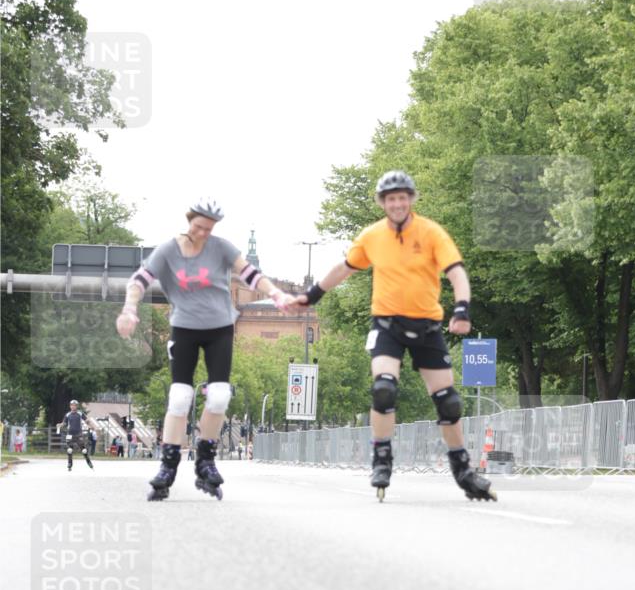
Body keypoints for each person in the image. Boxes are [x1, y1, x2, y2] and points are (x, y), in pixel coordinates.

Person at [289, 170, 496, 503]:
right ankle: (381, 458)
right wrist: (311, 296)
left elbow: (456, 271)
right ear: (383, 203)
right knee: (384, 389)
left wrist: (462, 309)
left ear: (411, 200)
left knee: (448, 401)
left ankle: (462, 469)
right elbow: (344, 268)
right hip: (387, 326)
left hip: (427, 326)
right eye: (391, 199)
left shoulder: (431, 233)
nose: (397, 204)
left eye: (402, 197)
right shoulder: (372, 236)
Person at [115, 197, 294, 501]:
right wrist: (129, 309)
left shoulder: (221, 247)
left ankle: (205, 460)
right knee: (180, 396)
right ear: (189, 221)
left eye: (209, 229)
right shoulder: (169, 250)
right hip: (184, 327)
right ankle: (168, 465)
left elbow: (250, 274)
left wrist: (276, 294)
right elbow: (139, 280)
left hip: (220, 327)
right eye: (199, 227)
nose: (203, 234)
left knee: (221, 394)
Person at [60, 400, 94, 471]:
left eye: (75, 405)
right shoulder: (68, 415)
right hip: (70, 434)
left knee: (84, 450)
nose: (73, 406)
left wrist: (91, 425)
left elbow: (87, 420)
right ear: (70, 406)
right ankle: (70, 464)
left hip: (78, 434)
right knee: (69, 450)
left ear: (77, 406)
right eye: (72, 405)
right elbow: (64, 423)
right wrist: (60, 425)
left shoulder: (80, 413)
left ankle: (89, 462)